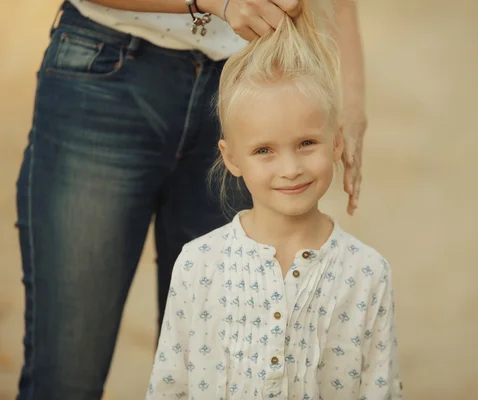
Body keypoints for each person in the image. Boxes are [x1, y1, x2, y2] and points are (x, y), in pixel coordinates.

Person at [15, 0, 366, 399]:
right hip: (105, 74)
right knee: (65, 378)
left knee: (224, 384)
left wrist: (350, 102)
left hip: (252, 89)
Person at [146, 1, 401, 398]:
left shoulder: (368, 273)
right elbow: (169, 387)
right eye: (264, 150)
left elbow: (380, 389)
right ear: (231, 158)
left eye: (306, 143)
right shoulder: (198, 265)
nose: (290, 168)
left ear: (336, 141)